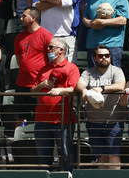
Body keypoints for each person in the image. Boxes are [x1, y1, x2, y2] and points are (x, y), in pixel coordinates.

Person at [32, 37, 81, 171]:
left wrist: (61, 89)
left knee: (65, 156)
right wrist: (41, 85)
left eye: (51, 47)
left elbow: (75, 89)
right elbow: (32, 92)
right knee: (43, 157)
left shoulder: (71, 68)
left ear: (61, 50)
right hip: (41, 119)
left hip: (62, 119)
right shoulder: (44, 69)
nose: (48, 50)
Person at [75, 45, 127, 170]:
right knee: (101, 157)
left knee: (113, 156)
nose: (104, 58)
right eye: (100, 55)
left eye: (107, 55)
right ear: (95, 58)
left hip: (113, 122)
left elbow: (121, 85)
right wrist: (83, 90)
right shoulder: (88, 72)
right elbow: (79, 83)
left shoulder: (116, 71)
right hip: (93, 122)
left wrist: (102, 88)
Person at [14, 6, 54, 126]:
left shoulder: (46, 35)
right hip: (22, 83)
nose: (21, 18)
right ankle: (18, 142)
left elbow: (53, 59)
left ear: (33, 18)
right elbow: (18, 58)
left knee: (40, 117)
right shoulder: (19, 37)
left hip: (39, 84)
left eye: (24, 16)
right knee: (20, 117)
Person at [83, 0, 129, 67]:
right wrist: (90, 23)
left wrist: (102, 23)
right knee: (93, 80)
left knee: (111, 78)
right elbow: (85, 17)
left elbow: (123, 20)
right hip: (93, 45)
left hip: (111, 45)